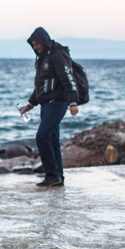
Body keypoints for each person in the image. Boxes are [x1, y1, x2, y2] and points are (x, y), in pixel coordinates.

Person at [18, 27, 81, 187]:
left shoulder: (57, 55)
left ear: (44, 41)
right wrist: (30, 104)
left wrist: (73, 102)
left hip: (58, 103)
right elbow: (40, 85)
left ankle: (52, 175)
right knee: (52, 140)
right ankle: (58, 177)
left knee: (42, 137)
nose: (35, 47)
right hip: (46, 105)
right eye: (33, 44)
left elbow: (68, 78)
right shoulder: (42, 58)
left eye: (37, 44)